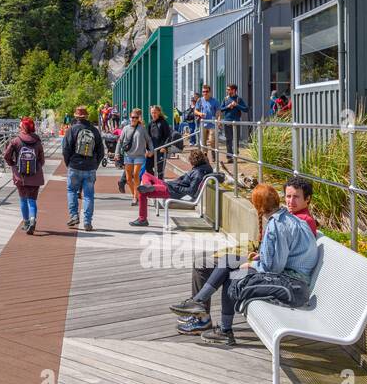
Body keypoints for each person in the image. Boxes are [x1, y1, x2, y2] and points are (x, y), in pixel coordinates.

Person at [170, 180, 320, 346]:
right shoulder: (286, 218)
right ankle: (202, 306)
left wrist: (252, 265)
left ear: (257, 207)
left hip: (293, 287)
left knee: (233, 275)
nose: (290, 201)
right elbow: (281, 257)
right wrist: (259, 257)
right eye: (288, 196)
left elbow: (274, 267)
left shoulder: (277, 224)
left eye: (295, 197)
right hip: (290, 280)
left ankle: (220, 325)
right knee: (230, 265)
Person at [131, 147, 213, 227]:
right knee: (146, 175)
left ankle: (142, 219)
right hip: (170, 186)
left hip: (171, 191)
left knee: (142, 192)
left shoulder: (198, 173)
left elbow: (191, 191)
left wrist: (176, 187)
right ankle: (148, 186)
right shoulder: (198, 169)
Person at [61, 104, 105, 232]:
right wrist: (94, 165)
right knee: (88, 196)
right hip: (90, 167)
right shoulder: (94, 130)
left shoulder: (72, 130)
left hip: (74, 166)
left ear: (76, 116)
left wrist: (69, 163)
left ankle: (74, 216)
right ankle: (87, 222)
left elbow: (65, 149)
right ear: (86, 116)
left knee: (71, 191)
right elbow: (101, 151)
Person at [4, 117, 47, 235]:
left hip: (20, 176)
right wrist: (36, 168)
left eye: (19, 126)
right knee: (32, 201)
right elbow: (42, 160)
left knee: (23, 199)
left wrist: (13, 165)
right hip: (35, 176)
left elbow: (7, 156)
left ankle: (26, 222)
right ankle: (33, 220)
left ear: (22, 127)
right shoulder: (37, 141)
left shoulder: (16, 141)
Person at [118, 108, 149, 223]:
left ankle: (135, 197)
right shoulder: (125, 129)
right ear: (130, 118)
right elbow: (120, 142)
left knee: (136, 175)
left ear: (138, 118)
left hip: (139, 155)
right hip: (128, 156)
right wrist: (117, 153)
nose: (134, 119)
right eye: (132, 117)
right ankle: (134, 195)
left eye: (136, 118)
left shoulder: (142, 129)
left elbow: (149, 140)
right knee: (128, 179)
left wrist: (150, 149)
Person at [221, 83, 249, 164]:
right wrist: (228, 107)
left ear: (233, 90)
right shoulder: (225, 99)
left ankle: (235, 155)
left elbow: (246, 109)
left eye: (228, 89)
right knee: (228, 140)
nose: (227, 91)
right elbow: (221, 109)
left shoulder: (238, 99)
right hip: (227, 122)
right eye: (227, 89)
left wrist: (237, 105)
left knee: (236, 139)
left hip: (236, 122)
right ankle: (229, 157)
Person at [195, 84, 220, 167]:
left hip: (212, 123)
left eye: (206, 91)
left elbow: (218, 112)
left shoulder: (215, 101)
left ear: (210, 92)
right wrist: (200, 113)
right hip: (203, 124)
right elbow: (195, 111)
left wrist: (218, 121)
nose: (205, 93)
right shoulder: (200, 100)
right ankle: (205, 157)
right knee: (203, 141)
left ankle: (213, 153)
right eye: (203, 92)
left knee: (212, 140)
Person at [147, 105, 172, 180]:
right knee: (148, 167)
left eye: (155, 112)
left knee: (160, 171)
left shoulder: (163, 123)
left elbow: (168, 136)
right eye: (152, 113)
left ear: (159, 112)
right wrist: (147, 149)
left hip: (161, 150)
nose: (153, 114)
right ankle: (154, 182)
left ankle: (160, 186)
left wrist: (164, 147)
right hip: (152, 150)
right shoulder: (150, 124)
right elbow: (148, 138)